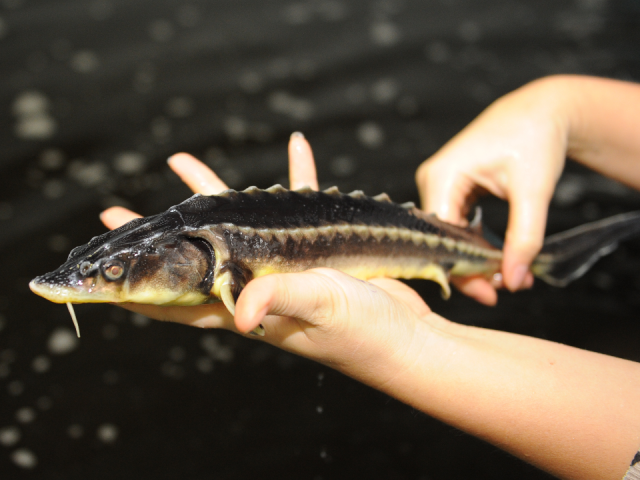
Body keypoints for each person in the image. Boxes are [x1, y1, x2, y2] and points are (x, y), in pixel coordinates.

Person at [100, 75, 640, 480]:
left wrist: (410, 346)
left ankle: (543, 258)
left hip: (443, 245)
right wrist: (556, 106)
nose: (105, 280)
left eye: (116, 270)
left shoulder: (222, 268)